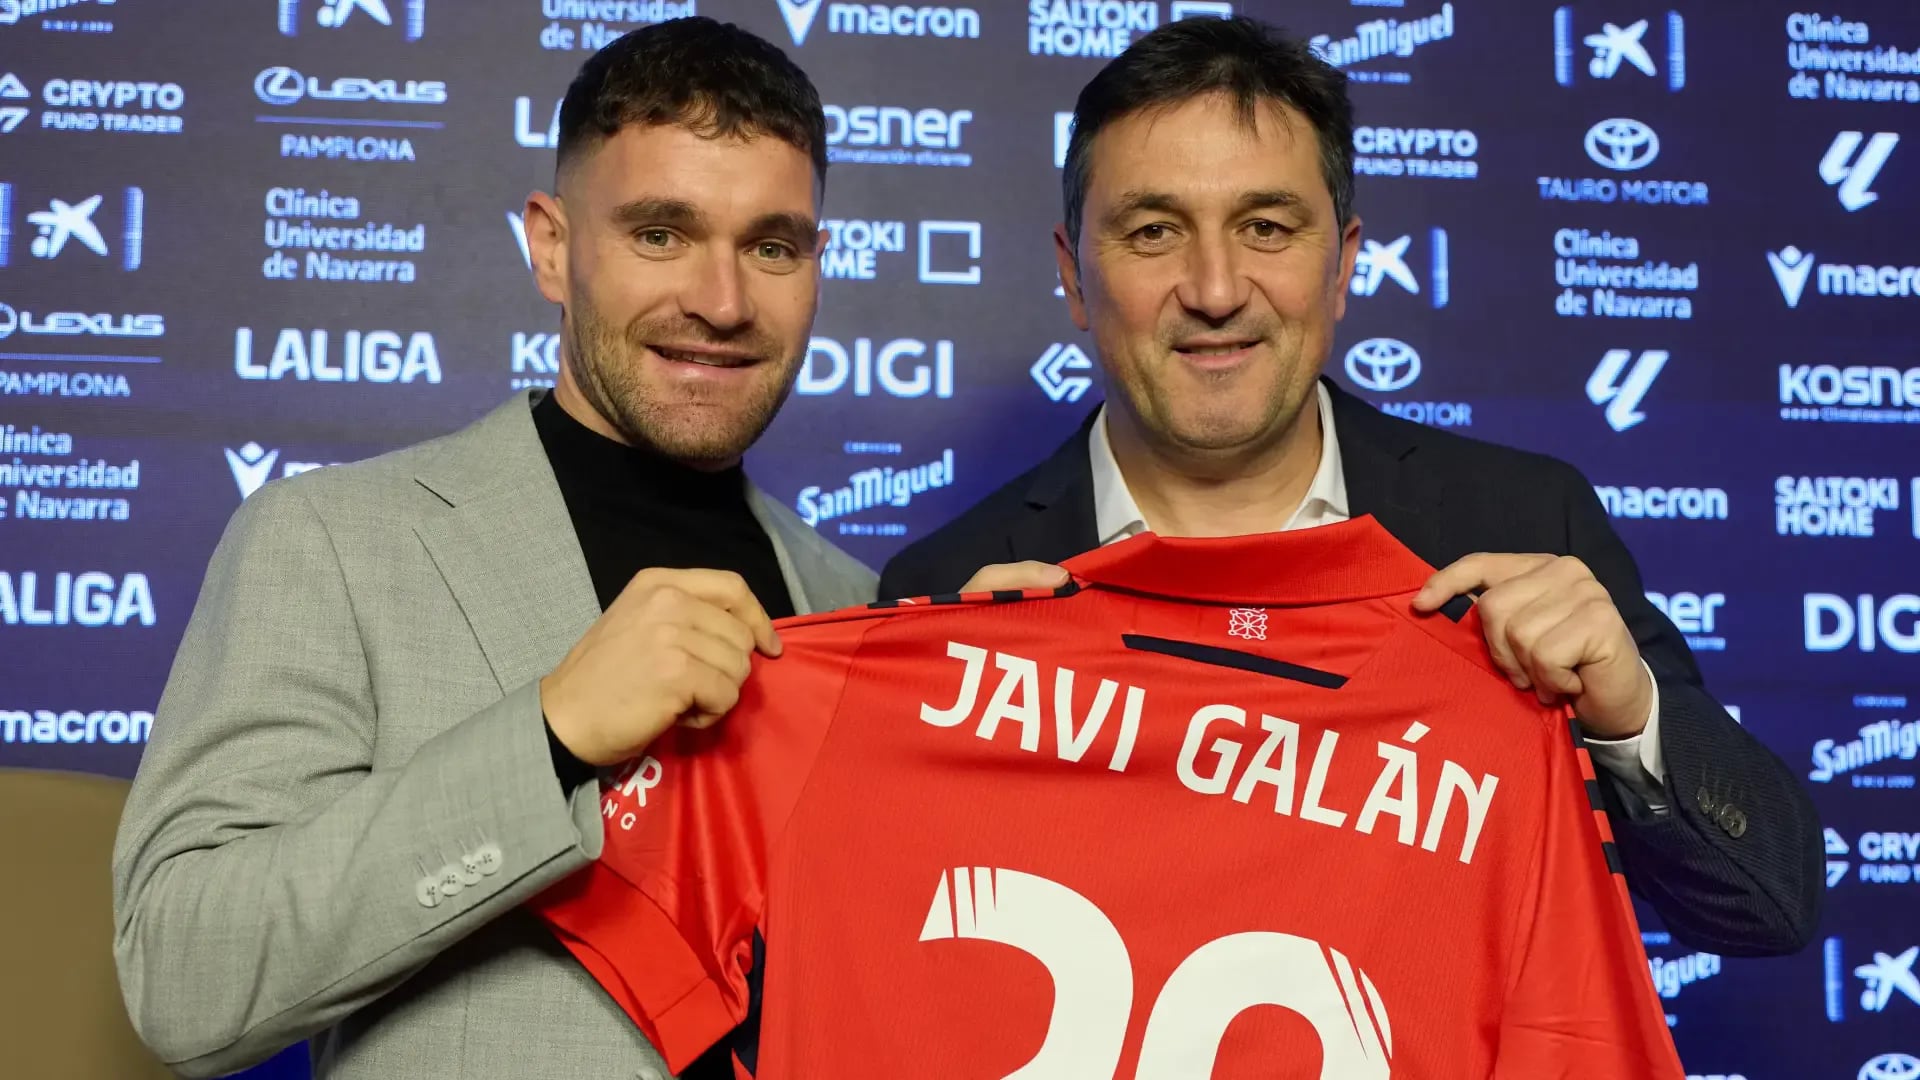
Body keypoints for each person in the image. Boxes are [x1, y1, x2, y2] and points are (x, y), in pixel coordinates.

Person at [881, 15, 1822, 957]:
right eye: (1154, 231)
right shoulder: (951, 588)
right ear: (1074, 278)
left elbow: (1771, 909)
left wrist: (1631, 719)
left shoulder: (1523, 521)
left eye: (1266, 227)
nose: (1215, 287)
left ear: (1344, 264)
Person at [113, 19, 887, 1079]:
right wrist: (549, 735)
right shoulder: (334, 543)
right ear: (554, 247)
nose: (721, 301)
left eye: (770, 246)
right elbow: (182, 978)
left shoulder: (857, 601)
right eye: (660, 234)